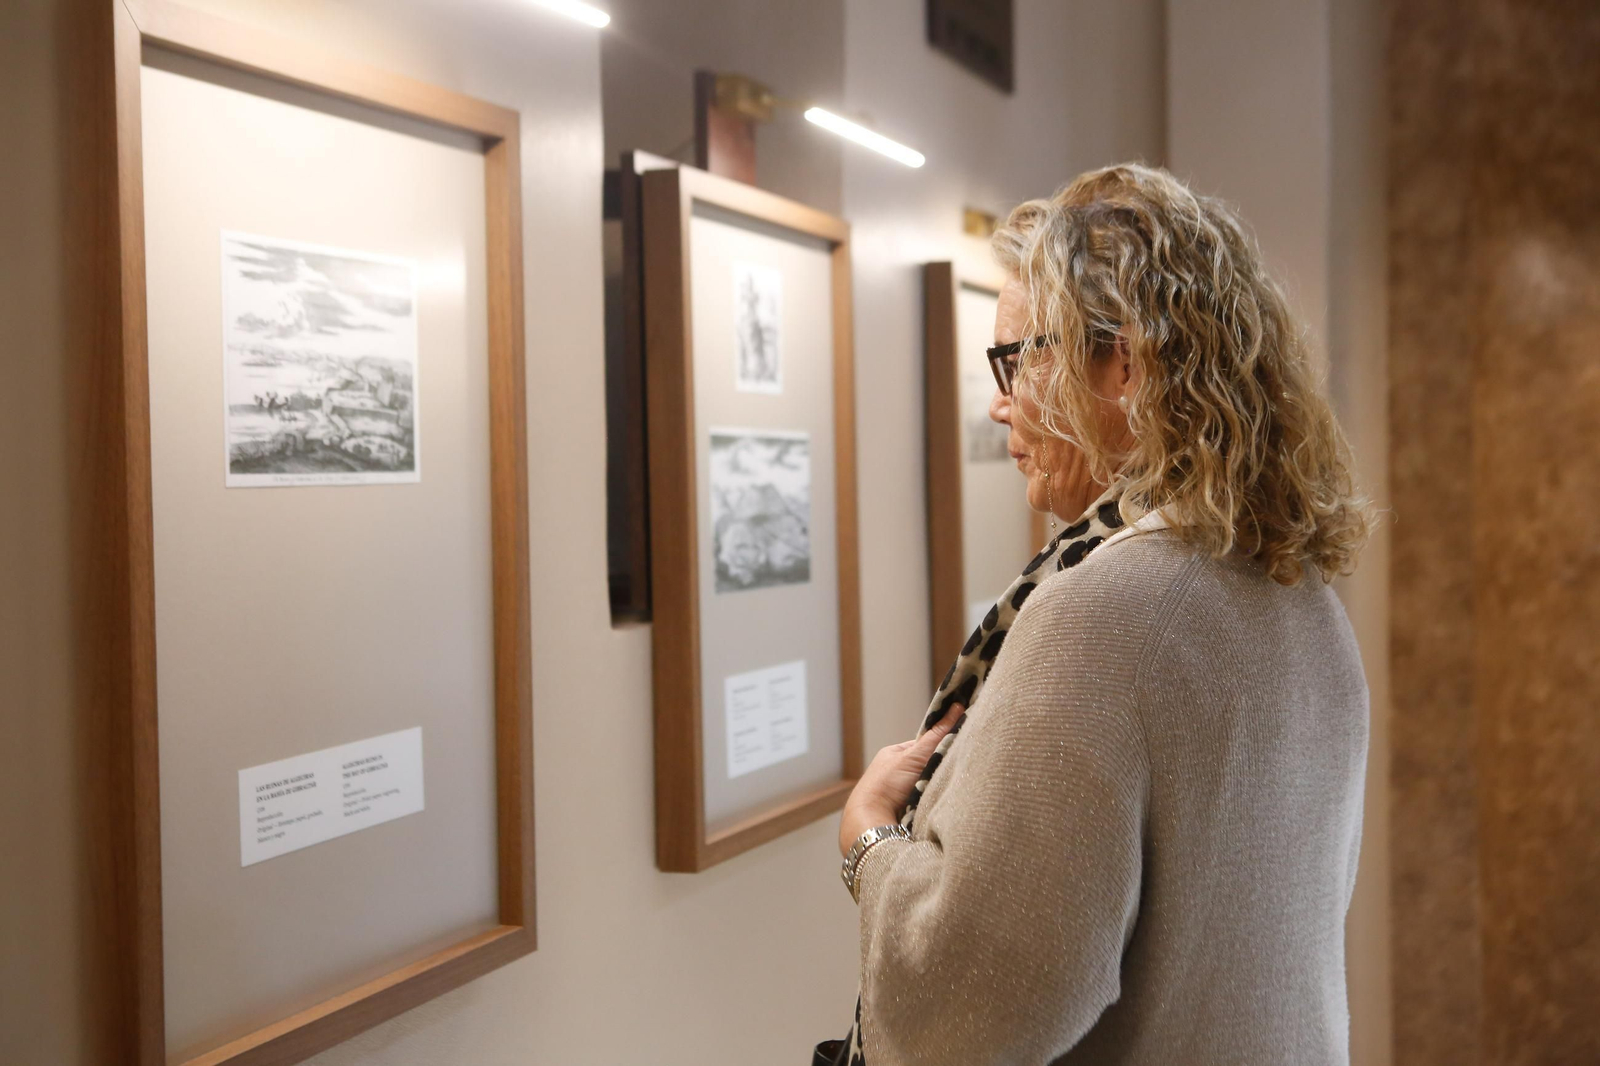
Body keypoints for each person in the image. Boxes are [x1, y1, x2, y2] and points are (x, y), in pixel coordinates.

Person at [822, 163, 1375, 1066]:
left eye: (1015, 359)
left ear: (1126, 363)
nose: (999, 404)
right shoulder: (1291, 587)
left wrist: (870, 843)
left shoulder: (1109, 611)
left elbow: (967, 1013)